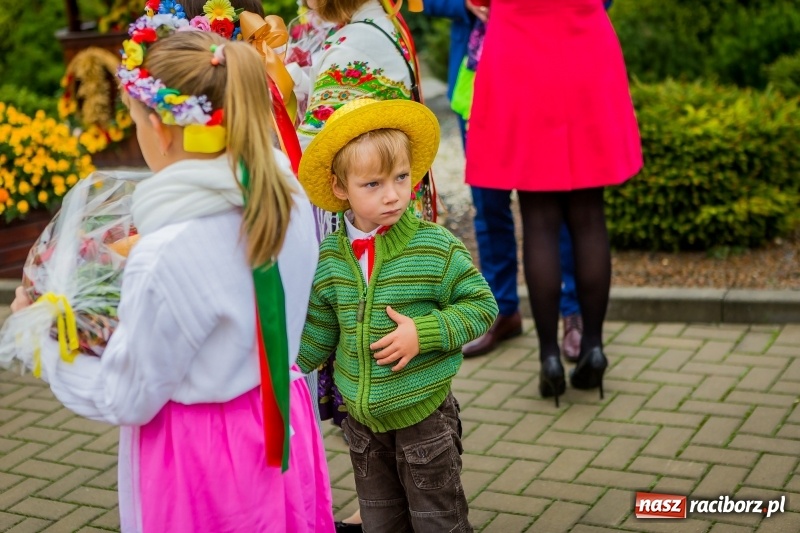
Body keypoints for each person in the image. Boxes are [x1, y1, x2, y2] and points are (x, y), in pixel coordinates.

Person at [11, 22, 335, 532]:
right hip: (280, 418)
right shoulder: (285, 191)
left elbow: (124, 397)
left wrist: (41, 340)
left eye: (138, 120)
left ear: (160, 128)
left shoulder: (167, 253)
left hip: (202, 453)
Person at [296, 98, 498, 532]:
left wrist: (423, 333)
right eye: (373, 184)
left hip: (424, 419)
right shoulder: (332, 255)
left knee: (437, 521)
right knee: (380, 522)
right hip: (363, 426)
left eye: (401, 177)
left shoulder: (435, 247)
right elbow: (320, 328)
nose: (393, 194)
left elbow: (482, 306)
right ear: (339, 188)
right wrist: (285, 367)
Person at [466, 0, 642, 406]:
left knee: (539, 218)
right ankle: (593, 346)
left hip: (519, 50)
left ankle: (548, 358)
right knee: (589, 215)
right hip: (584, 43)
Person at [423, 0, 585, 361]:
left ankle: (574, 315)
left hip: (546, 78)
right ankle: (501, 312)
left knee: (554, 207)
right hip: (478, 86)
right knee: (488, 205)